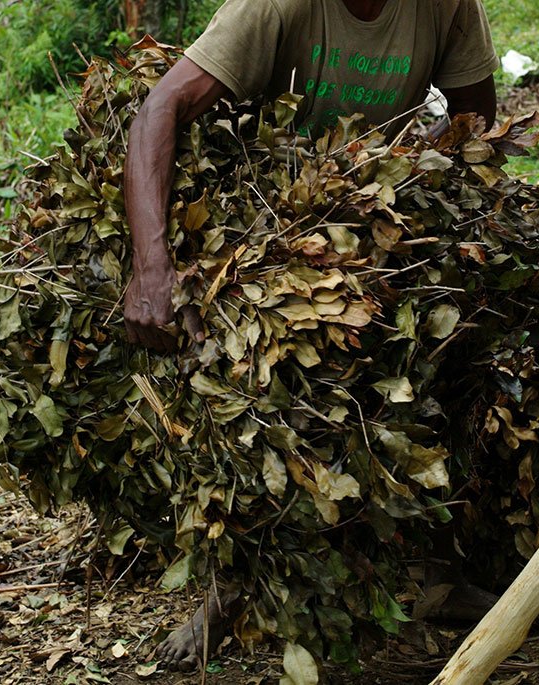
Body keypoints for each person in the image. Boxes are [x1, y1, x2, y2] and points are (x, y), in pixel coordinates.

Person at [123, 0, 500, 671]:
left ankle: (434, 560)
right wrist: (152, 267)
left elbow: (475, 120)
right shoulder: (273, 7)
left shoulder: (446, 5)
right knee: (253, 376)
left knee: (462, 323)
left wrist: (412, 183)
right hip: (268, 214)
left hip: (375, 214)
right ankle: (230, 583)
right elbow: (159, 109)